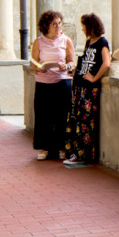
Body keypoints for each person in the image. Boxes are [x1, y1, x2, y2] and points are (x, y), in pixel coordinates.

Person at [63, 13, 111, 165]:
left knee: (86, 121)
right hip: (80, 86)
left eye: (84, 25)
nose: (82, 29)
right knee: (77, 120)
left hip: (90, 89)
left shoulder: (102, 42)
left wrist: (95, 78)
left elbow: (106, 63)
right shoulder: (89, 41)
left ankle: (86, 154)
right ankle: (77, 152)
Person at [31, 10, 76, 161]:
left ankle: (63, 147)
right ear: (46, 26)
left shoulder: (66, 40)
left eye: (59, 23)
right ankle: (44, 148)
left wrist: (67, 67)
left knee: (63, 115)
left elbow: (72, 61)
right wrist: (40, 68)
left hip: (62, 81)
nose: (58, 27)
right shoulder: (38, 41)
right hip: (43, 82)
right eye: (54, 24)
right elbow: (34, 63)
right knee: (43, 116)